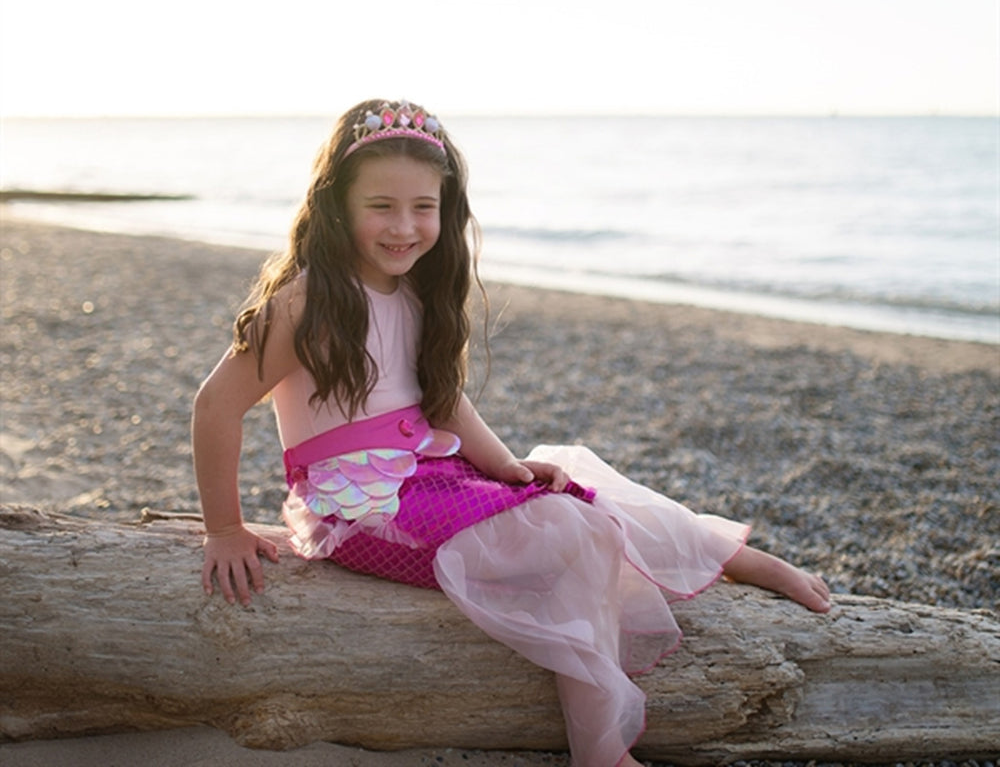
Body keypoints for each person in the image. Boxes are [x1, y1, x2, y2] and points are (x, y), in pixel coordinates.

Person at [192, 100, 831, 767]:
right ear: (336, 204)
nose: (404, 227)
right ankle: (601, 752)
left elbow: (444, 404)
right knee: (578, 534)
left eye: (423, 207)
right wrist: (224, 529)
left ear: (446, 209)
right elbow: (215, 406)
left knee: (567, 481)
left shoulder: (415, 292)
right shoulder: (307, 300)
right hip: (360, 507)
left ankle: (728, 556)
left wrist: (503, 466)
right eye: (381, 206)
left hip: (427, 476)